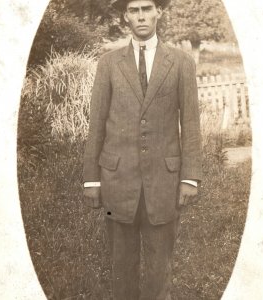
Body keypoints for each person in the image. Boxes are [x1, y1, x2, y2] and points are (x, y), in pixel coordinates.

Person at [83, 0, 202, 299]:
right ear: (126, 16)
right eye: (134, 10)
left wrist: (189, 178)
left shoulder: (181, 62)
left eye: (147, 9)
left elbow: (190, 123)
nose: (141, 16)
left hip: (164, 183)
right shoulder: (108, 63)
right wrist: (92, 180)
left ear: (158, 12)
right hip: (117, 182)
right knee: (122, 267)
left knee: (160, 268)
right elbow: (96, 123)